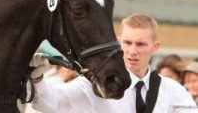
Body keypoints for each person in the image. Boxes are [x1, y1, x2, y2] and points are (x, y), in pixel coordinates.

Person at [29, 13, 197, 113]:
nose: (132, 51)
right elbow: (52, 102)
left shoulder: (172, 91)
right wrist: (37, 78)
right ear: (118, 43)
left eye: (140, 44)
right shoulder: (97, 84)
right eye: (127, 43)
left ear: (155, 47)